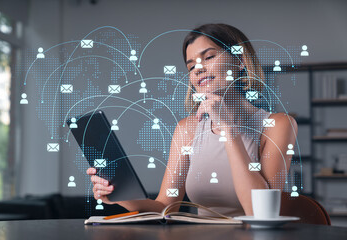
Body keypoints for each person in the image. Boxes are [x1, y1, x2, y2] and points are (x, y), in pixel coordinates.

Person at [87, 23, 297, 216]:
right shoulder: (186, 130)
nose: (198, 68)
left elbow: (261, 212)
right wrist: (118, 195)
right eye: (191, 66)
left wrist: (228, 129)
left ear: (240, 60)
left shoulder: (278, 125)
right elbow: (165, 207)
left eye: (209, 57)